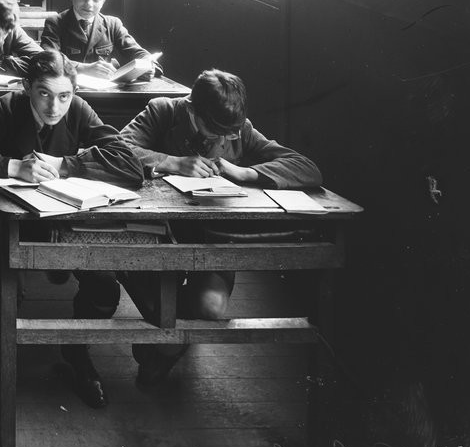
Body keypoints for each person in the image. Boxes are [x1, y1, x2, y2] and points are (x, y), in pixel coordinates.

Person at [0, 50, 144, 410]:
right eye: (44, 94)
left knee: (104, 285)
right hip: (2, 219)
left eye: (64, 96)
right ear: (27, 89)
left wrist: (68, 165)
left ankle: (76, 348)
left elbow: (130, 165)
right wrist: (9, 165)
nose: (54, 106)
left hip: (59, 217)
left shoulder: (79, 109)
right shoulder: (6, 108)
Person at [117, 69, 324, 388]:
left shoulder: (238, 131)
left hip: (210, 243)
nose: (225, 141)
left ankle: (165, 346)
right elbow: (116, 150)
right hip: (154, 241)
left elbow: (307, 168)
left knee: (209, 310)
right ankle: (165, 342)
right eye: (214, 132)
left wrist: (248, 174)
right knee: (162, 318)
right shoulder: (163, 111)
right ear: (191, 110)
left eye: (230, 134)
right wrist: (170, 162)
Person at [40, 0, 154, 82]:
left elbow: (140, 53)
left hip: (105, 90)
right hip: (68, 88)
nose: (89, 4)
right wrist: (84, 68)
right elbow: (49, 58)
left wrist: (148, 67)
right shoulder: (55, 23)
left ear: (103, 1)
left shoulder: (112, 24)